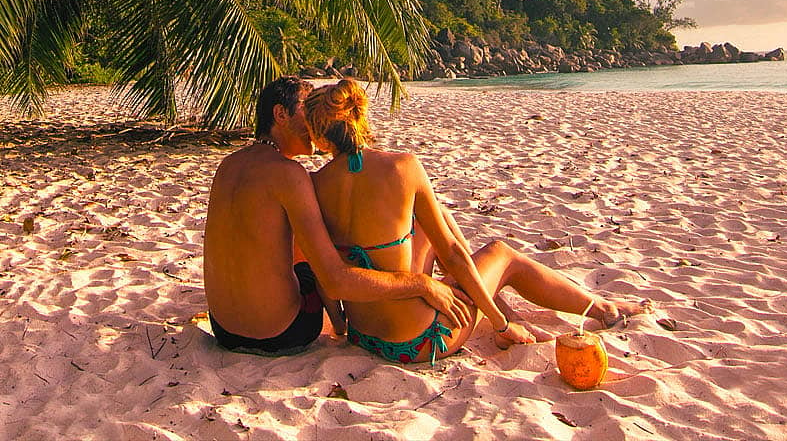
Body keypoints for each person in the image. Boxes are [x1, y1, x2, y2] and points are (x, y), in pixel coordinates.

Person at [304, 78, 647, 364]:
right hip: (422, 342)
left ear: (319, 136)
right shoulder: (402, 167)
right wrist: (499, 327)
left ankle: (493, 302)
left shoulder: (315, 184)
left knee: (434, 220)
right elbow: (452, 253)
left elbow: (322, 270)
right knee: (502, 253)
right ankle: (599, 308)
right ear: (361, 118)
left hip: (367, 338)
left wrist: (340, 326)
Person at [203, 76, 473, 356]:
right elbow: (336, 280)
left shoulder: (228, 165)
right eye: (305, 110)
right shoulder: (289, 174)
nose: (313, 122)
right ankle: (345, 322)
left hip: (223, 330)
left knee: (300, 237)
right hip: (280, 334)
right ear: (280, 114)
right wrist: (422, 285)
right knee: (320, 247)